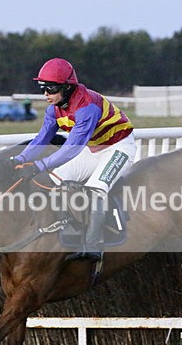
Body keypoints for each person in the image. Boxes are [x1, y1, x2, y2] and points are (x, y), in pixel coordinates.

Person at [12, 57, 136, 261]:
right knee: (53, 180)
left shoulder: (87, 107)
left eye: (51, 88)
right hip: (93, 148)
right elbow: (42, 138)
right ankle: (69, 227)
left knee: (95, 191)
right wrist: (19, 159)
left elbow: (72, 149)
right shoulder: (54, 107)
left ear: (67, 88)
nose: (45, 94)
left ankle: (93, 246)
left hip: (118, 147)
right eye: (42, 88)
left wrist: (38, 165)